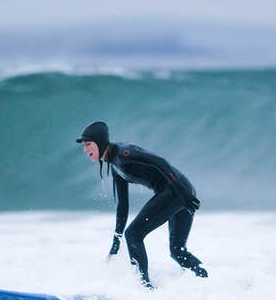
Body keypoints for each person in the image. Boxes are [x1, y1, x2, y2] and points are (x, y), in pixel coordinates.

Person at [76, 121, 208, 288]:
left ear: (100, 142)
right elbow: (122, 206)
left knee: (133, 235)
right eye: (84, 146)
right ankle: (206, 281)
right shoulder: (115, 166)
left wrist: (184, 194)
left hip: (177, 191)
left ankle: (144, 288)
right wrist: (116, 241)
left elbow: (160, 162)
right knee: (177, 251)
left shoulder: (124, 153)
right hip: (179, 192)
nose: (85, 149)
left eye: (88, 144)